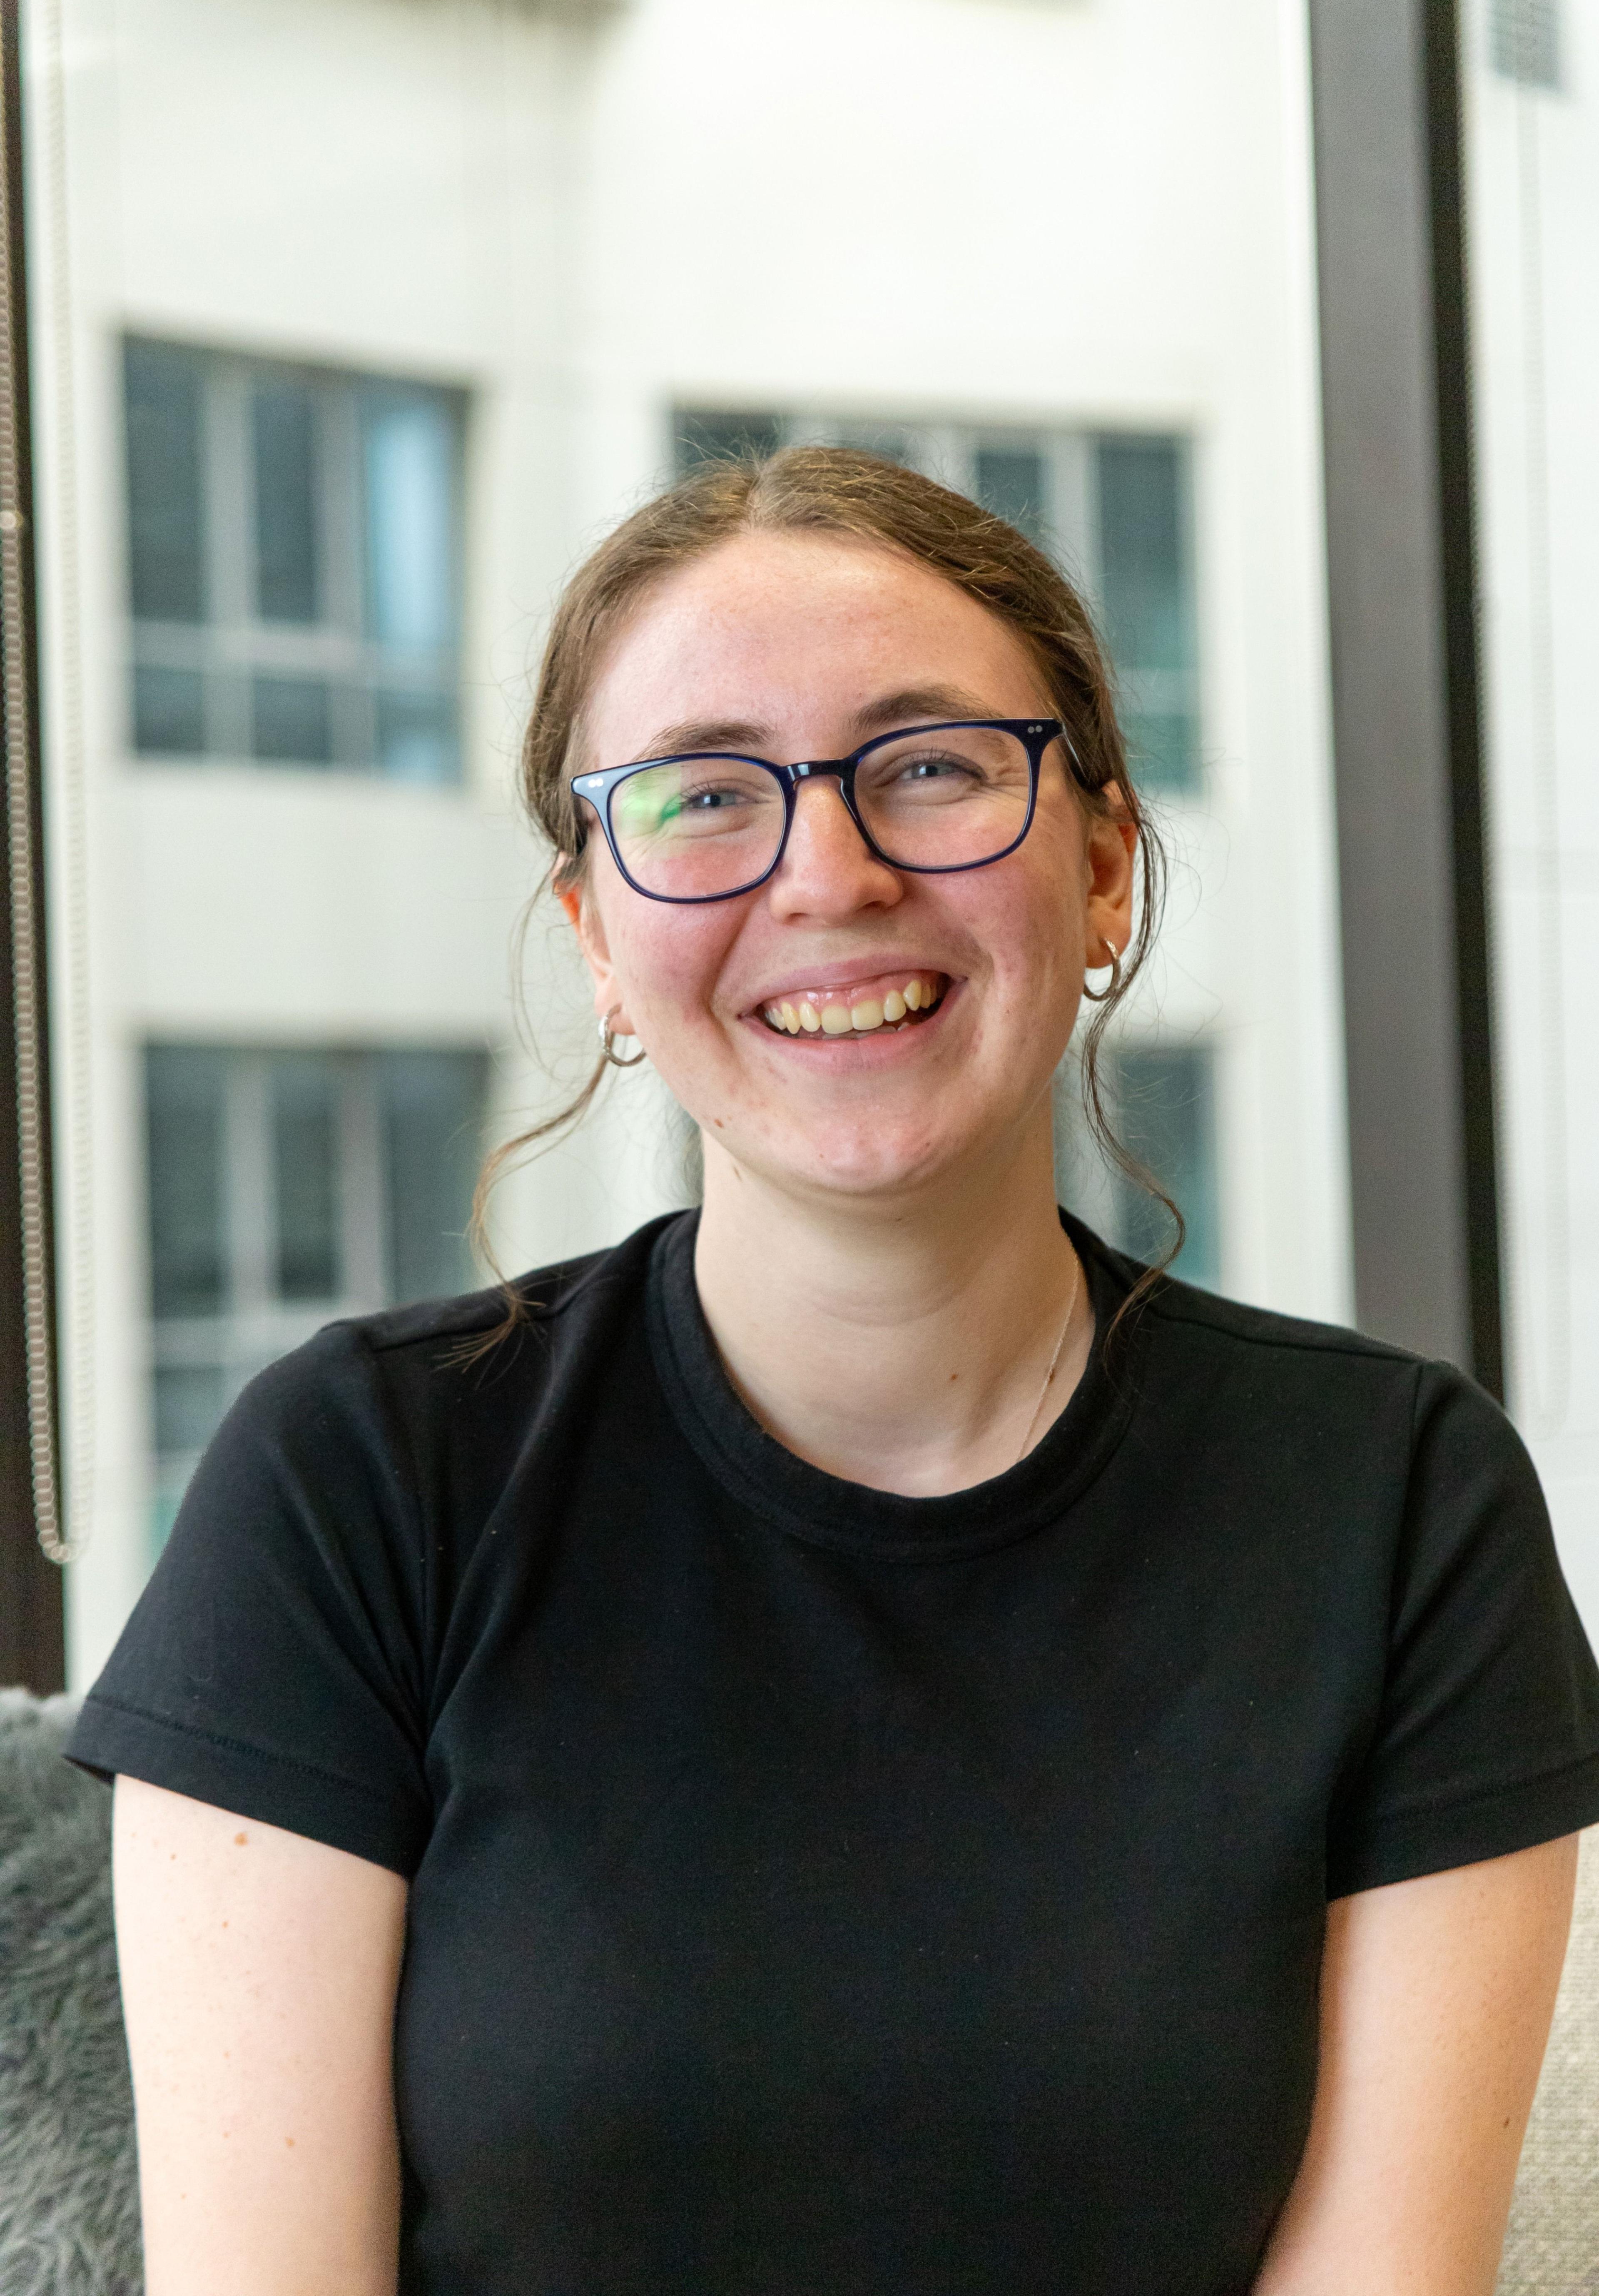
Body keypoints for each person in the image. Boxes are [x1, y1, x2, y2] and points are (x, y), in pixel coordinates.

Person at [72, 449, 1599, 2296]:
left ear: (1104, 867)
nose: (829, 876)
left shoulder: (1400, 1501)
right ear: (599, 939)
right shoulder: (353, 1479)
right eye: (707, 797)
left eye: (932, 767)